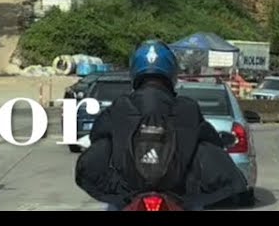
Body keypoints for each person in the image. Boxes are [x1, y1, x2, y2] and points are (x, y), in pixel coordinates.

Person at [73, 39, 248, 211]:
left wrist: (123, 194)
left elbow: (97, 135)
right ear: (172, 73)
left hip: (130, 196)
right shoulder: (188, 109)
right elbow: (212, 140)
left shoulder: (119, 107)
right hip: (177, 196)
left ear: (135, 72)